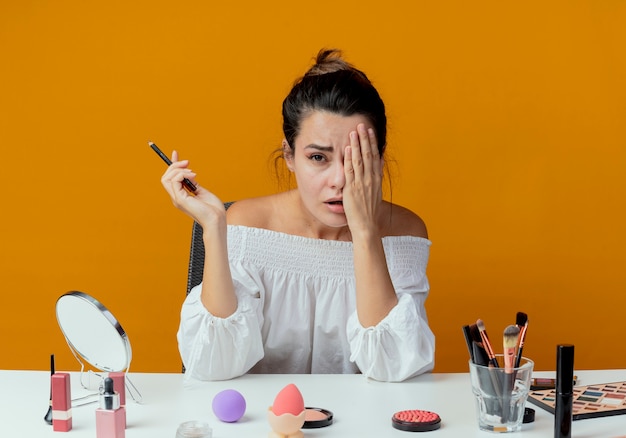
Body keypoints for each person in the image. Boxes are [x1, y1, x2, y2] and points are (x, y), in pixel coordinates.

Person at [160, 49, 435, 382]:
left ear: (379, 159)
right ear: (289, 156)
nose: (339, 180)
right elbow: (214, 365)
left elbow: (394, 369)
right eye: (318, 157)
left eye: (357, 159)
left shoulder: (405, 233)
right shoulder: (249, 226)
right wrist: (215, 228)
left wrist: (365, 231)